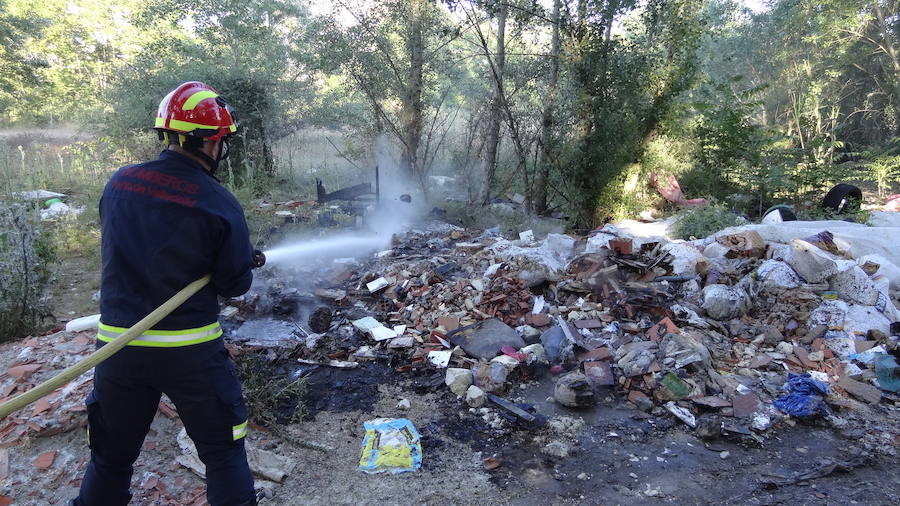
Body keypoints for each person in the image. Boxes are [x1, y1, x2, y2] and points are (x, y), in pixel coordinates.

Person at [73, 81, 266, 506]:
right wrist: (237, 259)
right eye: (221, 140)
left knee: (110, 459)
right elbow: (235, 284)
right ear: (210, 142)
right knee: (222, 454)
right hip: (191, 355)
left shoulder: (120, 184)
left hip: (118, 351)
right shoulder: (217, 201)